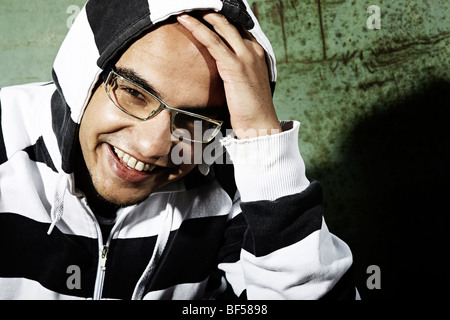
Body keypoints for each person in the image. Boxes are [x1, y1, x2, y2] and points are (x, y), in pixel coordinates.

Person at [0, 0, 358, 300]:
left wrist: (261, 139)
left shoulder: (233, 173)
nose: (152, 146)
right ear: (83, 75)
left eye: (194, 119)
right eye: (134, 93)